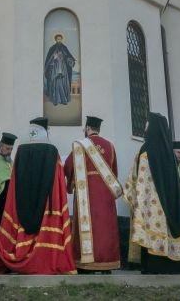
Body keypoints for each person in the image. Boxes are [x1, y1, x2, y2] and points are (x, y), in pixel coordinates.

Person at [0, 116, 75, 274]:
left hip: (23, 200)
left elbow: (15, 177)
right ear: (45, 129)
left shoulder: (21, 149)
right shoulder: (52, 150)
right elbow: (57, 180)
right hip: (46, 204)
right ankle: (44, 260)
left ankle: (21, 253)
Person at [124, 112, 180, 274]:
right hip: (169, 203)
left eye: (147, 123)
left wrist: (135, 197)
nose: (145, 126)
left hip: (151, 202)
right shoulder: (169, 151)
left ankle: (153, 267)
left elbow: (140, 179)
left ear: (153, 126)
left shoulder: (147, 150)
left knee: (152, 231)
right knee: (167, 230)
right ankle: (171, 266)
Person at [64, 116, 121, 272]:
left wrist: (72, 183)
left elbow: (68, 167)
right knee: (105, 228)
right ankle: (106, 264)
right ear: (98, 129)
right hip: (105, 196)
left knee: (88, 226)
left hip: (86, 193)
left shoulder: (80, 146)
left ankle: (85, 264)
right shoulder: (110, 146)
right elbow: (113, 172)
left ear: (87, 128)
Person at [43, 33, 76, 105]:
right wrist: (54, 58)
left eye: (60, 39)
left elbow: (68, 56)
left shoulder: (64, 47)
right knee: (55, 83)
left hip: (63, 68)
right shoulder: (52, 48)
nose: (59, 40)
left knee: (63, 83)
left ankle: (64, 100)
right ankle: (55, 101)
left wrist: (70, 60)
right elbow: (48, 60)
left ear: (62, 39)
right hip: (55, 67)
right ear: (55, 40)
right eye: (58, 39)